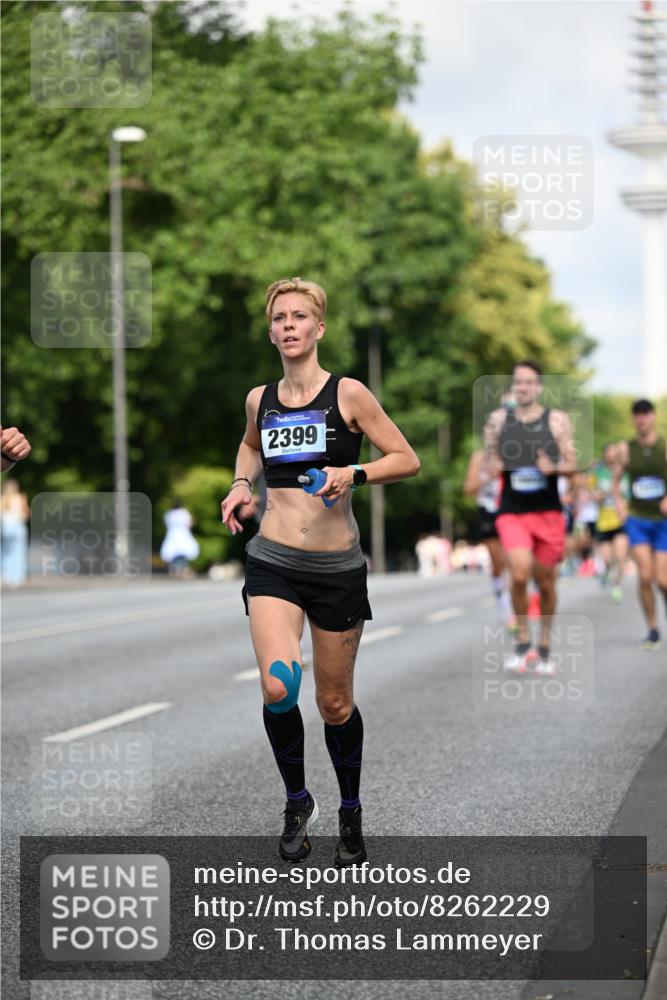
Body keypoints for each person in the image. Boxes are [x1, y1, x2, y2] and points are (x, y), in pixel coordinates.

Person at [220, 277, 419, 866]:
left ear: (319, 328)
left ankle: (349, 809)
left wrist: (352, 474)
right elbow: (250, 446)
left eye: (299, 316)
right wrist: (240, 484)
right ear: (270, 331)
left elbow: (406, 458)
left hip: (336, 569)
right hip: (273, 561)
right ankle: (296, 801)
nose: (288, 325)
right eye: (279, 317)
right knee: (278, 685)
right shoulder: (260, 399)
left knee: (334, 703)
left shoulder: (348, 393)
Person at [484, 361, 577, 676]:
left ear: (539, 386)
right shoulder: (498, 420)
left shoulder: (557, 421)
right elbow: (490, 462)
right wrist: (496, 463)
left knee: (546, 583)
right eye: (518, 382)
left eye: (528, 382)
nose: (523, 387)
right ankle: (523, 643)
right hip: (512, 511)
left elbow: (572, 464)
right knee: (520, 574)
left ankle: (545, 646)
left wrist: (555, 468)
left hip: (548, 512)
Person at [610, 399, 667, 651]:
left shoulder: (664, 446)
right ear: (633, 418)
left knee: (663, 581)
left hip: (663, 521)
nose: (641, 419)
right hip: (638, 519)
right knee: (645, 575)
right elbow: (615, 482)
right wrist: (619, 504)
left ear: (653, 416)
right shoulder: (626, 449)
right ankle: (653, 629)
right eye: (637, 415)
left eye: (645, 414)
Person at [463, 448, 513, 626]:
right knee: (497, 561)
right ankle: (502, 600)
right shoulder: (480, 457)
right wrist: (487, 477)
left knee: (511, 560)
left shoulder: (513, 452)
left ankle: (510, 604)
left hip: (509, 510)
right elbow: (468, 488)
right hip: (488, 511)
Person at [589, 445, 629, 602]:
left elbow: (630, 495)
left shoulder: (626, 473)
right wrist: (596, 495)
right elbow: (591, 492)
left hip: (621, 521)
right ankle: (605, 570)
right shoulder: (598, 473)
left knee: (620, 557)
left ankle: (617, 586)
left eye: (614, 453)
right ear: (605, 455)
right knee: (607, 559)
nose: (612, 456)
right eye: (609, 453)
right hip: (604, 522)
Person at [159, 499, 200, 578]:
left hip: (172, 535)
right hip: (183, 534)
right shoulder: (183, 513)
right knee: (182, 554)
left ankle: (174, 571)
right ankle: (181, 571)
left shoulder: (169, 514)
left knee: (173, 554)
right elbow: (188, 524)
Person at [1, 479, 30, 587]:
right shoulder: (20, 498)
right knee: (18, 552)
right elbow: (26, 514)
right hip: (18, 527)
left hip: (6, 528)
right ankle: (17, 578)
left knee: (5, 552)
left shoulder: (2, 498)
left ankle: (6, 576)